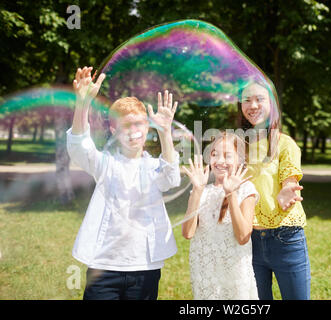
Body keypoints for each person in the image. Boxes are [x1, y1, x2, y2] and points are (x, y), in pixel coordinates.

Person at [67, 66, 180, 300]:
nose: (133, 131)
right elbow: (79, 144)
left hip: (145, 268)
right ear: (113, 129)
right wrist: (83, 103)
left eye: (139, 124)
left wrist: (166, 132)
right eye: (125, 125)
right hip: (103, 268)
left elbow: (171, 177)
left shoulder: (153, 168)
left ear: (148, 127)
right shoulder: (105, 164)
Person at [237, 79, 311, 300]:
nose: (253, 105)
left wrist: (287, 190)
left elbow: (290, 178)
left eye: (260, 99)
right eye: (246, 100)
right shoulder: (239, 146)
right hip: (250, 241)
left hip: (285, 237)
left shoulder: (285, 143)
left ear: (272, 104)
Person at [181, 132, 259, 299]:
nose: (220, 161)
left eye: (227, 155)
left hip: (234, 279)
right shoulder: (202, 191)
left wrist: (230, 193)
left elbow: (243, 237)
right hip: (206, 277)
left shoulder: (246, 190)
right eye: (215, 154)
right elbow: (188, 233)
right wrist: (197, 190)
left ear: (240, 160)